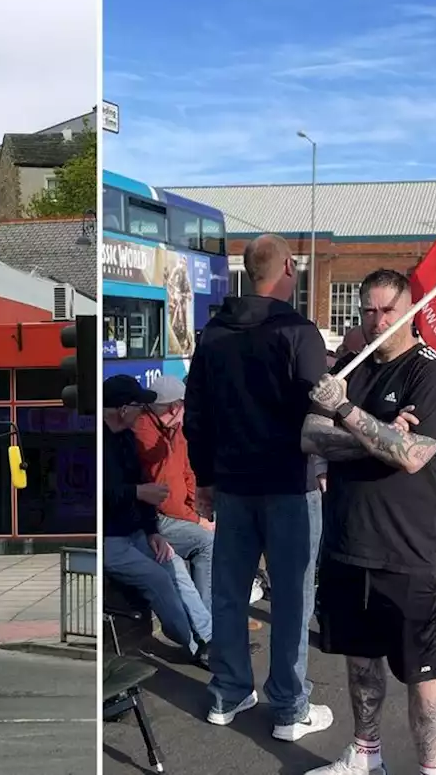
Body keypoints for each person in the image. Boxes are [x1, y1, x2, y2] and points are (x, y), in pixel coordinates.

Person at [301, 268, 436, 775]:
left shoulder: (434, 373)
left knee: (424, 670)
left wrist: (348, 414)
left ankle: (430, 771)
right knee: (359, 657)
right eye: (367, 310)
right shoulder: (352, 364)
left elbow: (413, 455)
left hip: (410, 547)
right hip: (350, 539)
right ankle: (365, 755)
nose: (376, 321)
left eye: (387, 310)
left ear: (411, 310)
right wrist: (376, 437)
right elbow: (311, 436)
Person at [184, 233, 331, 741]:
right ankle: (289, 707)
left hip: (233, 482)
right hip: (291, 482)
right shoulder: (298, 332)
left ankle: (228, 691)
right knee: (293, 595)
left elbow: (195, 417)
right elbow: (322, 409)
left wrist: (204, 478)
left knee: (229, 591)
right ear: (288, 266)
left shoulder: (214, 335)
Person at [102, 374, 211, 666]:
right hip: (109, 539)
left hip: (137, 530)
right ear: (124, 409)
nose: (143, 413)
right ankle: (193, 643)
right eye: (139, 406)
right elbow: (110, 493)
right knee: (161, 578)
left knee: (172, 563)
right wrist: (139, 492)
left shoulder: (126, 436)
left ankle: (209, 638)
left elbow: (150, 489)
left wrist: (153, 532)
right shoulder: (112, 440)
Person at [132, 375, 215, 633]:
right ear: (174, 407)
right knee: (207, 542)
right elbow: (163, 488)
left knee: (208, 537)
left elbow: (188, 471)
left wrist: (197, 507)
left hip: (174, 513)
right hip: (155, 518)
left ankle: (207, 623)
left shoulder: (173, 429)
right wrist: (195, 519)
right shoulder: (144, 430)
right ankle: (208, 625)